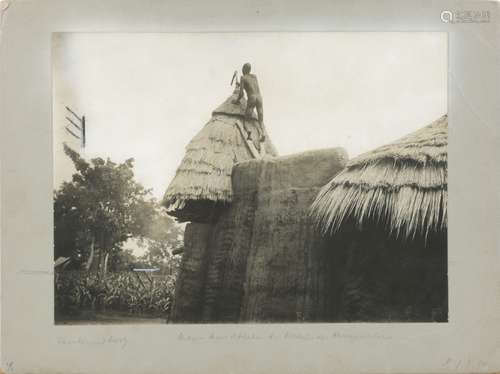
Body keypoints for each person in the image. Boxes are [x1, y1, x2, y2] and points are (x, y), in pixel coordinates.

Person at [233, 63, 265, 141]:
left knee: (246, 120)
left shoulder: (243, 77)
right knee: (260, 120)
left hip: (252, 98)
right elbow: (250, 84)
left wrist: (236, 101)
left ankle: (249, 132)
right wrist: (240, 85)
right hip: (259, 98)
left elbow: (241, 93)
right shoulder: (254, 77)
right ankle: (263, 133)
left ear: (243, 70)